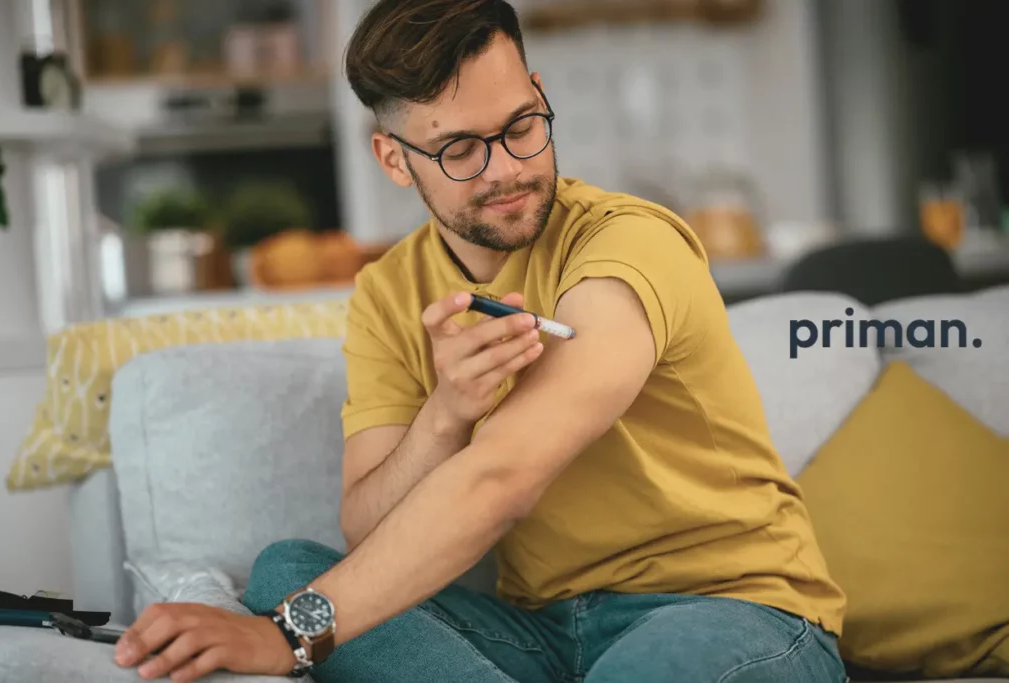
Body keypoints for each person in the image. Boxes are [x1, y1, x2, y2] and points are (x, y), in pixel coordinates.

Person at [112, 1, 848, 681]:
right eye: (460, 149)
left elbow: (503, 480)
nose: (507, 170)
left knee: (297, 612)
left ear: (537, 89)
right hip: (546, 632)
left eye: (522, 125)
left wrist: (290, 637)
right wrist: (446, 414)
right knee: (285, 570)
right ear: (394, 158)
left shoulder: (628, 244)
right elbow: (367, 528)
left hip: (730, 610)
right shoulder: (390, 293)